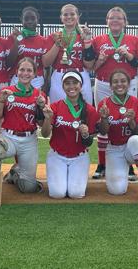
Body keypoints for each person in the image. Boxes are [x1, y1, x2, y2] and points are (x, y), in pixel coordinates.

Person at [85, 7, 138, 180]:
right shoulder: (98, 40)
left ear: (125, 22)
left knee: (127, 120)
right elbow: (91, 67)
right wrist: (100, 60)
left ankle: (129, 164)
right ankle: (102, 163)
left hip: (128, 84)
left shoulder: (134, 40)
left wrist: (129, 56)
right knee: (103, 119)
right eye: (112, 18)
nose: (115, 21)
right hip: (104, 83)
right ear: (107, 21)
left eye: (119, 18)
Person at [0, 57, 46, 193]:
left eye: (29, 70)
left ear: (34, 74)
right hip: (9, 137)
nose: (25, 73)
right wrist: (1, 101)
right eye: (22, 70)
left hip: (29, 140)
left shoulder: (39, 95)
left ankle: (15, 173)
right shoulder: (7, 91)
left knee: (28, 188)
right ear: (17, 72)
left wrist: (41, 107)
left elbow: (41, 123)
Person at [97, 69, 138, 203]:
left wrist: (132, 121)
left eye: (123, 81)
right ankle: (125, 169)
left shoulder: (137, 102)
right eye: (115, 82)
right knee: (116, 190)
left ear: (129, 84)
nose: (119, 84)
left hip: (132, 147)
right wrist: (104, 118)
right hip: (114, 148)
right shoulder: (104, 103)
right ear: (110, 86)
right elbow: (103, 132)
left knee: (134, 140)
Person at [41, 71, 99, 199]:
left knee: (76, 194)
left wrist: (85, 134)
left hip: (79, 157)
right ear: (63, 86)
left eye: (75, 83)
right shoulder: (55, 107)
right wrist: (47, 119)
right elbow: (45, 134)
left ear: (81, 85)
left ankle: (71, 177)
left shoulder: (89, 110)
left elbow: (89, 142)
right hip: (57, 155)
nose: (71, 86)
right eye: (67, 83)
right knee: (57, 194)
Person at [43, 4, 93, 104]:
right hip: (59, 75)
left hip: (80, 74)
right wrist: (57, 44)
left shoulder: (83, 35)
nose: (69, 17)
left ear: (78, 16)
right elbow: (46, 63)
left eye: (72, 14)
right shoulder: (54, 36)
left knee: (84, 108)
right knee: (58, 108)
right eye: (65, 14)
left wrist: (87, 41)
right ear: (61, 17)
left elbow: (90, 65)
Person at [6, 7, 48, 89]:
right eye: (26, 19)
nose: (29, 21)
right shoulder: (14, 37)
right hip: (18, 78)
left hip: (37, 80)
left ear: (37, 19)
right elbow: (8, 63)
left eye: (33, 18)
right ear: (21, 20)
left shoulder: (43, 40)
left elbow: (47, 66)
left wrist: (46, 82)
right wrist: (17, 42)